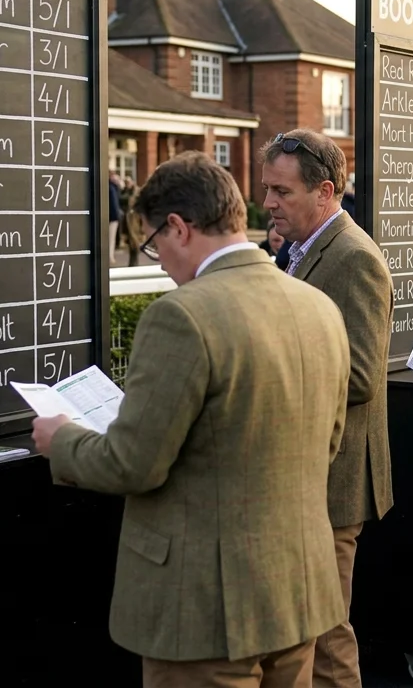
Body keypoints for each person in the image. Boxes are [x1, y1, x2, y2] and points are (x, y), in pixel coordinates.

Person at [30, 151, 352, 688]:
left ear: (178, 227)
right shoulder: (316, 305)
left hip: (204, 605)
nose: (158, 260)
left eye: (154, 243)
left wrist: (61, 439)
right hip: (298, 587)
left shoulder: (181, 314)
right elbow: (328, 441)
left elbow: (133, 464)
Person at [261, 129, 394, 688]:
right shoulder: (300, 250)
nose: (267, 202)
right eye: (266, 189)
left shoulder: (354, 257)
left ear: (325, 191)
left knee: (327, 632)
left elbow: (361, 376)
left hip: (334, 480)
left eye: (281, 192)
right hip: (310, 474)